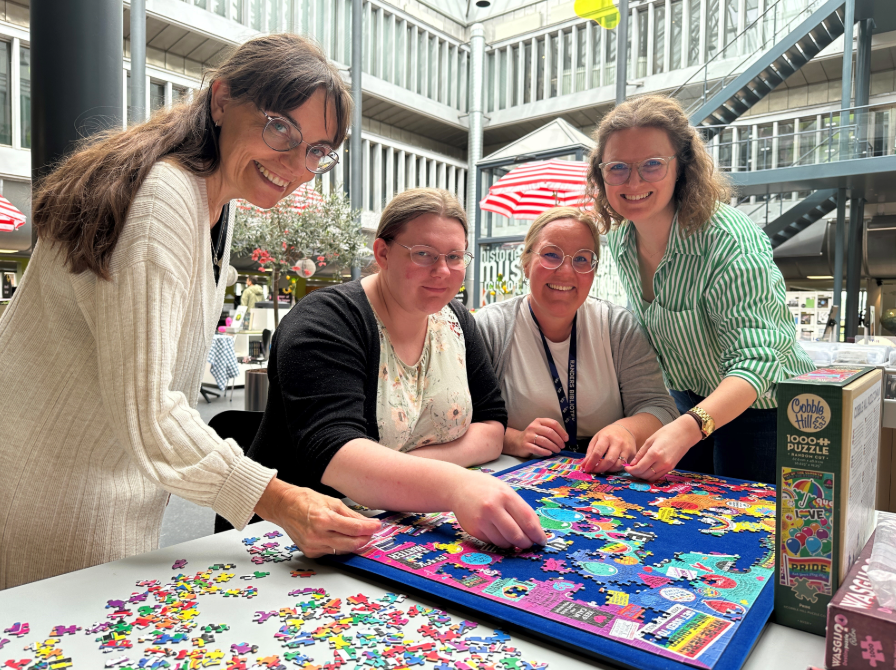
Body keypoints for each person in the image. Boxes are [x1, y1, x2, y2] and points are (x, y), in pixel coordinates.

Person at [0, 34, 381, 590]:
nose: (297, 164)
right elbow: (151, 411)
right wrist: (282, 501)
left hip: (86, 485)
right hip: (62, 502)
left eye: (318, 150)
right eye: (281, 128)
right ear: (222, 100)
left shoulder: (211, 199)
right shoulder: (165, 199)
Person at [247, 189, 547, 550]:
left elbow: (492, 427)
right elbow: (334, 456)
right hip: (301, 538)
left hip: (405, 527)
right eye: (423, 254)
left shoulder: (457, 321)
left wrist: (410, 470)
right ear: (382, 253)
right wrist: (455, 485)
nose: (442, 271)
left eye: (454, 256)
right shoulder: (325, 320)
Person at [585, 95, 814, 485]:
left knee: (745, 529)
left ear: (683, 168)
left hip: (765, 412)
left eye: (653, 164)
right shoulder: (623, 241)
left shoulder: (729, 240)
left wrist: (687, 428)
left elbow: (757, 362)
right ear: (601, 174)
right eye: (618, 167)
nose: (634, 181)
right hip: (688, 400)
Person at [476, 207, 678, 473]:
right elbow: (460, 419)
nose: (566, 272)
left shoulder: (616, 326)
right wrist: (514, 439)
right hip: (517, 478)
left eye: (582, 259)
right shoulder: (491, 327)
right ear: (526, 263)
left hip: (604, 479)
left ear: (594, 271)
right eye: (551, 255)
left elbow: (660, 407)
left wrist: (625, 430)